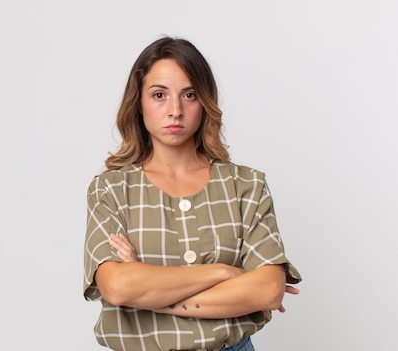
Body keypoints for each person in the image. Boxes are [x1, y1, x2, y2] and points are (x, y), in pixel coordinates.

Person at [82, 36, 302, 351]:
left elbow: (266, 292)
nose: (175, 110)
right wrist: (224, 273)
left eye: (189, 94)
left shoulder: (246, 185)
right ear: (139, 103)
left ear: (205, 102)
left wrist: (149, 295)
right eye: (159, 95)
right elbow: (117, 287)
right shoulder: (111, 190)